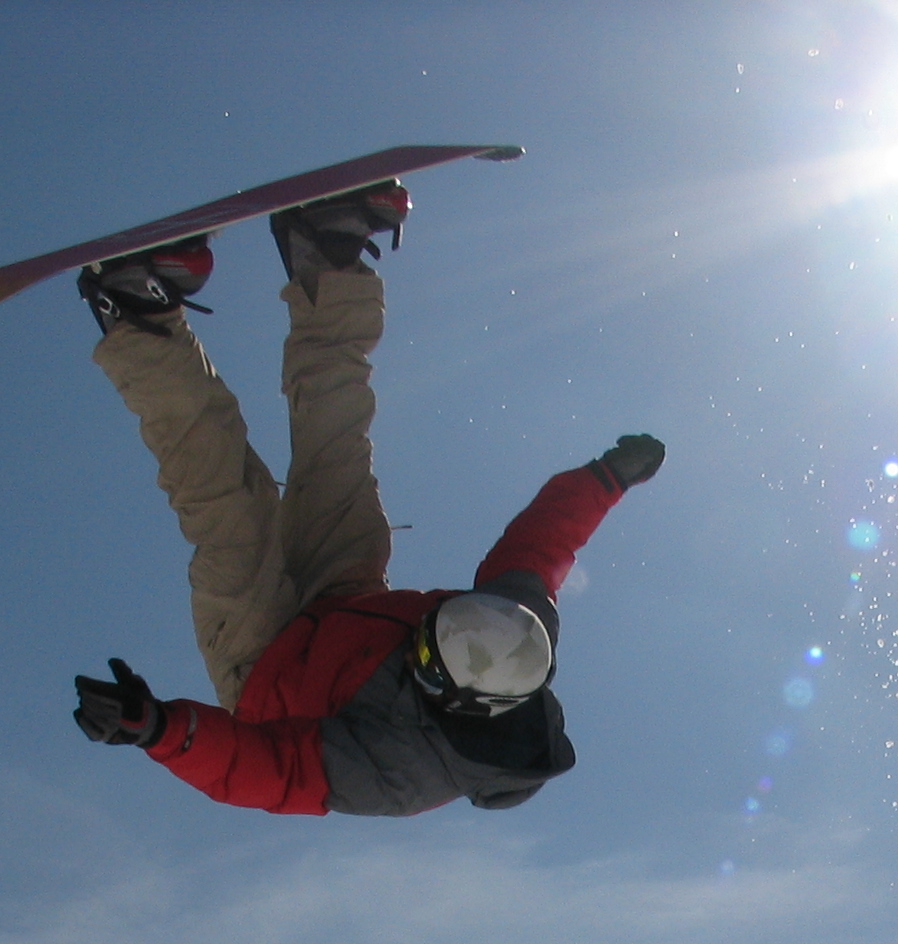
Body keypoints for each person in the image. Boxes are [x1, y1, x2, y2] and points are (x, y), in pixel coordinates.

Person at [67, 181, 663, 816]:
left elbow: (269, 773)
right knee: (338, 439)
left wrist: (158, 728)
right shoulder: (515, 637)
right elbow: (542, 545)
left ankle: (135, 315)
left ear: (445, 689)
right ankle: (324, 256)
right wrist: (606, 479)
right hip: (348, 598)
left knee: (225, 497)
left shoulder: (398, 774)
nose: (437, 624)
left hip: (263, 664)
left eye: (431, 645)